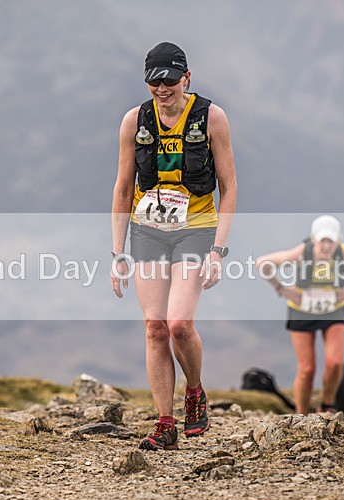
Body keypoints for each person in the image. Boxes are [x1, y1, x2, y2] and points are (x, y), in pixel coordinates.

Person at [110, 42, 237, 450]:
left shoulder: (211, 117)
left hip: (195, 228)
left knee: (180, 325)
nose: (161, 88)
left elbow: (229, 188)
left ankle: (195, 392)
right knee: (154, 328)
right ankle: (165, 423)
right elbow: (124, 187)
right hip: (147, 230)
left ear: (186, 77)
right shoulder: (134, 121)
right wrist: (117, 254)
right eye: (153, 81)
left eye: (169, 80)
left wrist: (218, 251)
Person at [257, 215, 344, 415]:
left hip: (333, 309)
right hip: (302, 311)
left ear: (338, 240)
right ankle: (301, 415)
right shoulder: (301, 253)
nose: (326, 246)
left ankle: (327, 405)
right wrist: (281, 288)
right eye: (322, 240)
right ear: (313, 239)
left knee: (335, 362)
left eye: (330, 241)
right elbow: (263, 263)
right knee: (307, 370)